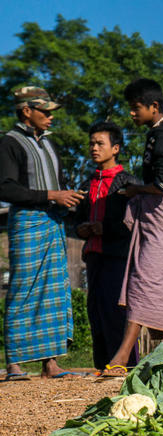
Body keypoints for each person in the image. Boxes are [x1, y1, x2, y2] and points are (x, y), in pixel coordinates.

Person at [99, 78, 163, 376]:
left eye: (135, 108)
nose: (131, 113)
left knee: (145, 277)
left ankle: (122, 355)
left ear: (154, 106)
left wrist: (135, 190)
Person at [0, 86, 85, 380]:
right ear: (27, 111)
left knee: (53, 290)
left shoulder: (49, 143)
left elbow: (58, 183)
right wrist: (52, 195)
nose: (50, 116)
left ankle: (51, 363)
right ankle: (15, 363)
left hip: (52, 221)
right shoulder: (10, 143)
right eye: (44, 111)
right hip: (27, 223)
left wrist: (68, 197)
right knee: (23, 289)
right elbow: (5, 188)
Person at [74, 121, 141, 372]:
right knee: (95, 311)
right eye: (91, 143)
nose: (94, 148)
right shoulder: (87, 184)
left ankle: (126, 365)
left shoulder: (128, 184)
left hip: (119, 257)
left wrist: (106, 228)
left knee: (118, 311)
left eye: (100, 143)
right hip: (94, 256)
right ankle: (102, 366)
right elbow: (77, 217)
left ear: (115, 148)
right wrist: (81, 228)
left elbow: (135, 222)